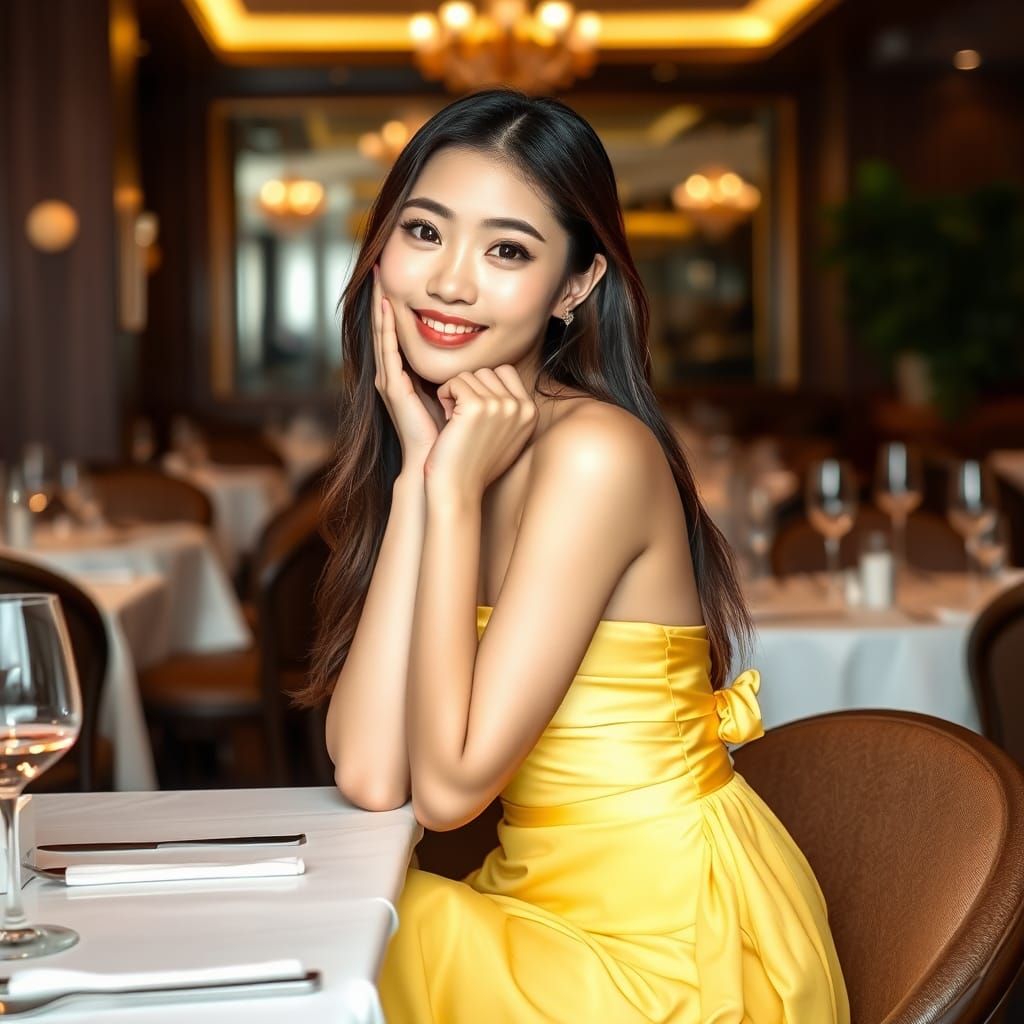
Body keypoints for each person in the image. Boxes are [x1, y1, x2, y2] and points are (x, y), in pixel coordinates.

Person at [296, 89, 849, 1023]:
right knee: (332, 934)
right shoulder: (446, 451)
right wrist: (420, 481)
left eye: (507, 250)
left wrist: (452, 496)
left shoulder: (596, 455)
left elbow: (449, 790)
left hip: (670, 950)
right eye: (425, 232)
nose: (451, 282)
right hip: (541, 915)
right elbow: (368, 774)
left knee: (337, 943)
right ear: (381, 247)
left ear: (575, 287)